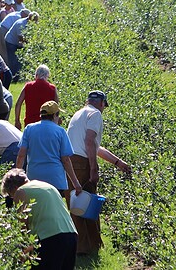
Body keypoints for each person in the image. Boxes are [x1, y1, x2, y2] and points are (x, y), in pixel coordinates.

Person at [66, 91, 131, 255]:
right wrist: (93, 169)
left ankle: (85, 245)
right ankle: (88, 247)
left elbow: (95, 146)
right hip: (82, 163)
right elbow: (89, 142)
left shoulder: (79, 113)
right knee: (88, 206)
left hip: (70, 162)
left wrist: (117, 162)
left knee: (76, 205)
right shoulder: (95, 115)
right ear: (102, 103)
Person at [1, 168, 78, 269]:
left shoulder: (20, 191)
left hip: (50, 238)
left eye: (11, 196)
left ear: (14, 188)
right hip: (71, 235)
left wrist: (22, 252)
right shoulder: (47, 186)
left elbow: (22, 226)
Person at [15, 101, 82, 196]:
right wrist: (76, 183)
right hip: (55, 179)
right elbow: (66, 160)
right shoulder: (60, 131)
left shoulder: (29, 129)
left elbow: (21, 155)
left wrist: (17, 176)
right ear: (55, 115)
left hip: (34, 178)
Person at [15, 64, 58, 129]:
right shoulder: (52, 88)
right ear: (47, 76)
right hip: (47, 124)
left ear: (36, 75)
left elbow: (18, 104)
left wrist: (17, 120)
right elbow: (56, 107)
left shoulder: (28, 86)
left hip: (30, 124)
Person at [5, 11, 39, 79]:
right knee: (13, 60)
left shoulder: (32, 24)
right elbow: (21, 39)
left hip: (19, 43)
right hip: (11, 42)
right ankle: (14, 77)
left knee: (20, 61)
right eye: (34, 21)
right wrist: (30, 44)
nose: (36, 23)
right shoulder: (21, 24)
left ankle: (19, 77)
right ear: (30, 19)